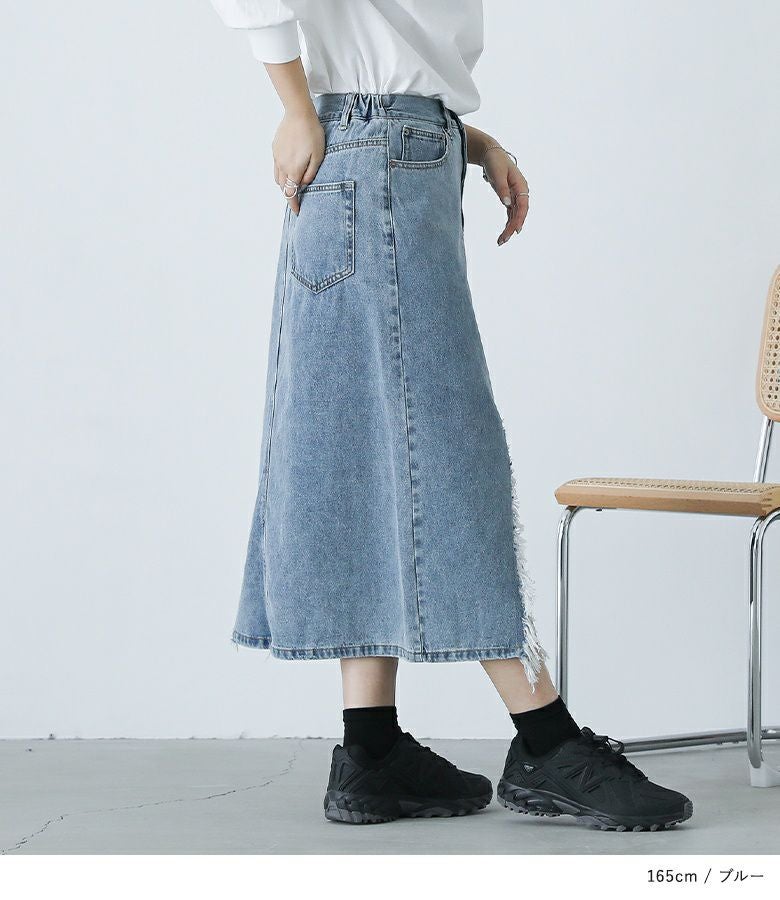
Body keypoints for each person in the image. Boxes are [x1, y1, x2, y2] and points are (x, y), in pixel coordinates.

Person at [210, 0, 692, 831]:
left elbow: (391, 45)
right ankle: (545, 739)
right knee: (445, 458)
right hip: (376, 157)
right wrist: (293, 107)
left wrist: (468, 139)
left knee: (369, 451)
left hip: (389, 153)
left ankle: (371, 752)